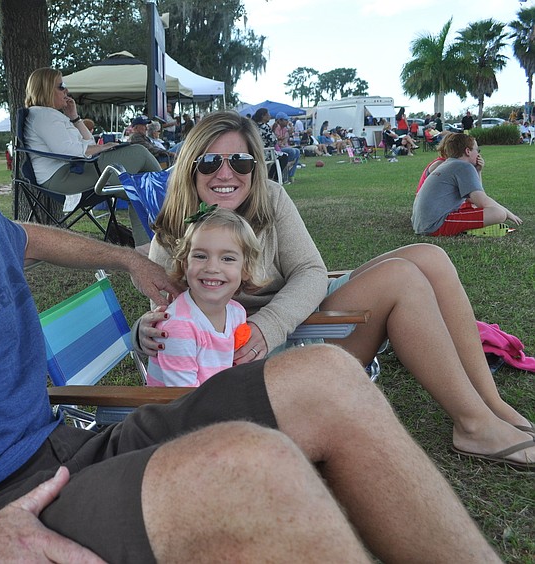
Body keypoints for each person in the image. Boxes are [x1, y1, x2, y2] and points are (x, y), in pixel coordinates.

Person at [0, 22, 505, 563]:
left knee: (327, 379)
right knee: (252, 469)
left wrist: (127, 261)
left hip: (72, 443)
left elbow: (34, 237)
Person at [138, 110, 535, 471]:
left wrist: (271, 323)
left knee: (429, 257)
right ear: (190, 166)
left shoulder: (270, 198)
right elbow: (167, 324)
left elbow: (311, 270)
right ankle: (474, 426)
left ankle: (492, 406)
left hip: (289, 324)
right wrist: (144, 332)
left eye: (240, 161)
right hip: (261, 357)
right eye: (210, 161)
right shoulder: (174, 231)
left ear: (255, 166)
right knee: (401, 278)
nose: (226, 174)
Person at [23, 67, 162, 245]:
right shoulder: (44, 115)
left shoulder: (51, 115)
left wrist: (74, 117)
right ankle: (170, 191)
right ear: (46, 88)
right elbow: (69, 151)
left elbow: (88, 144)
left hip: (75, 171)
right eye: (61, 86)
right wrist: (103, 149)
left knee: (140, 189)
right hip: (64, 178)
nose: (66, 91)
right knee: (139, 152)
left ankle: (146, 249)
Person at [147, 207, 269, 387]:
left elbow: (236, 371)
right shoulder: (179, 327)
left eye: (227, 258)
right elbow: (186, 400)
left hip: (215, 400)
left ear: (245, 269)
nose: (212, 267)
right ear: (185, 263)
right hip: (177, 411)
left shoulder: (236, 312)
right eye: (200, 256)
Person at [412, 133, 522, 236]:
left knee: (486, 210)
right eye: (477, 150)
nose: (478, 154)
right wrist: (507, 213)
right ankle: (473, 230)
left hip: (421, 222)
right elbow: (481, 201)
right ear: (468, 151)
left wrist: (478, 171)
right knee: (498, 214)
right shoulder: (464, 167)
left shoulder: (447, 164)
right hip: (433, 225)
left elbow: (477, 196)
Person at [251, 108, 290, 180]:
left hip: (256, 152)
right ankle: (274, 177)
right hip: (266, 153)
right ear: (263, 116)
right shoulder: (265, 126)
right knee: (284, 156)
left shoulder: (253, 126)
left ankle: (270, 176)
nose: (270, 116)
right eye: (268, 114)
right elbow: (273, 140)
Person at [273, 112, 301, 184]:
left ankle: (290, 174)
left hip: (282, 147)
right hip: (276, 149)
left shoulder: (284, 129)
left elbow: (285, 140)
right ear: (280, 120)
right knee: (292, 151)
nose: (287, 122)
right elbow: (277, 141)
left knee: (297, 151)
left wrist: (290, 127)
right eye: (285, 120)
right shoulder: (276, 127)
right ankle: (287, 167)